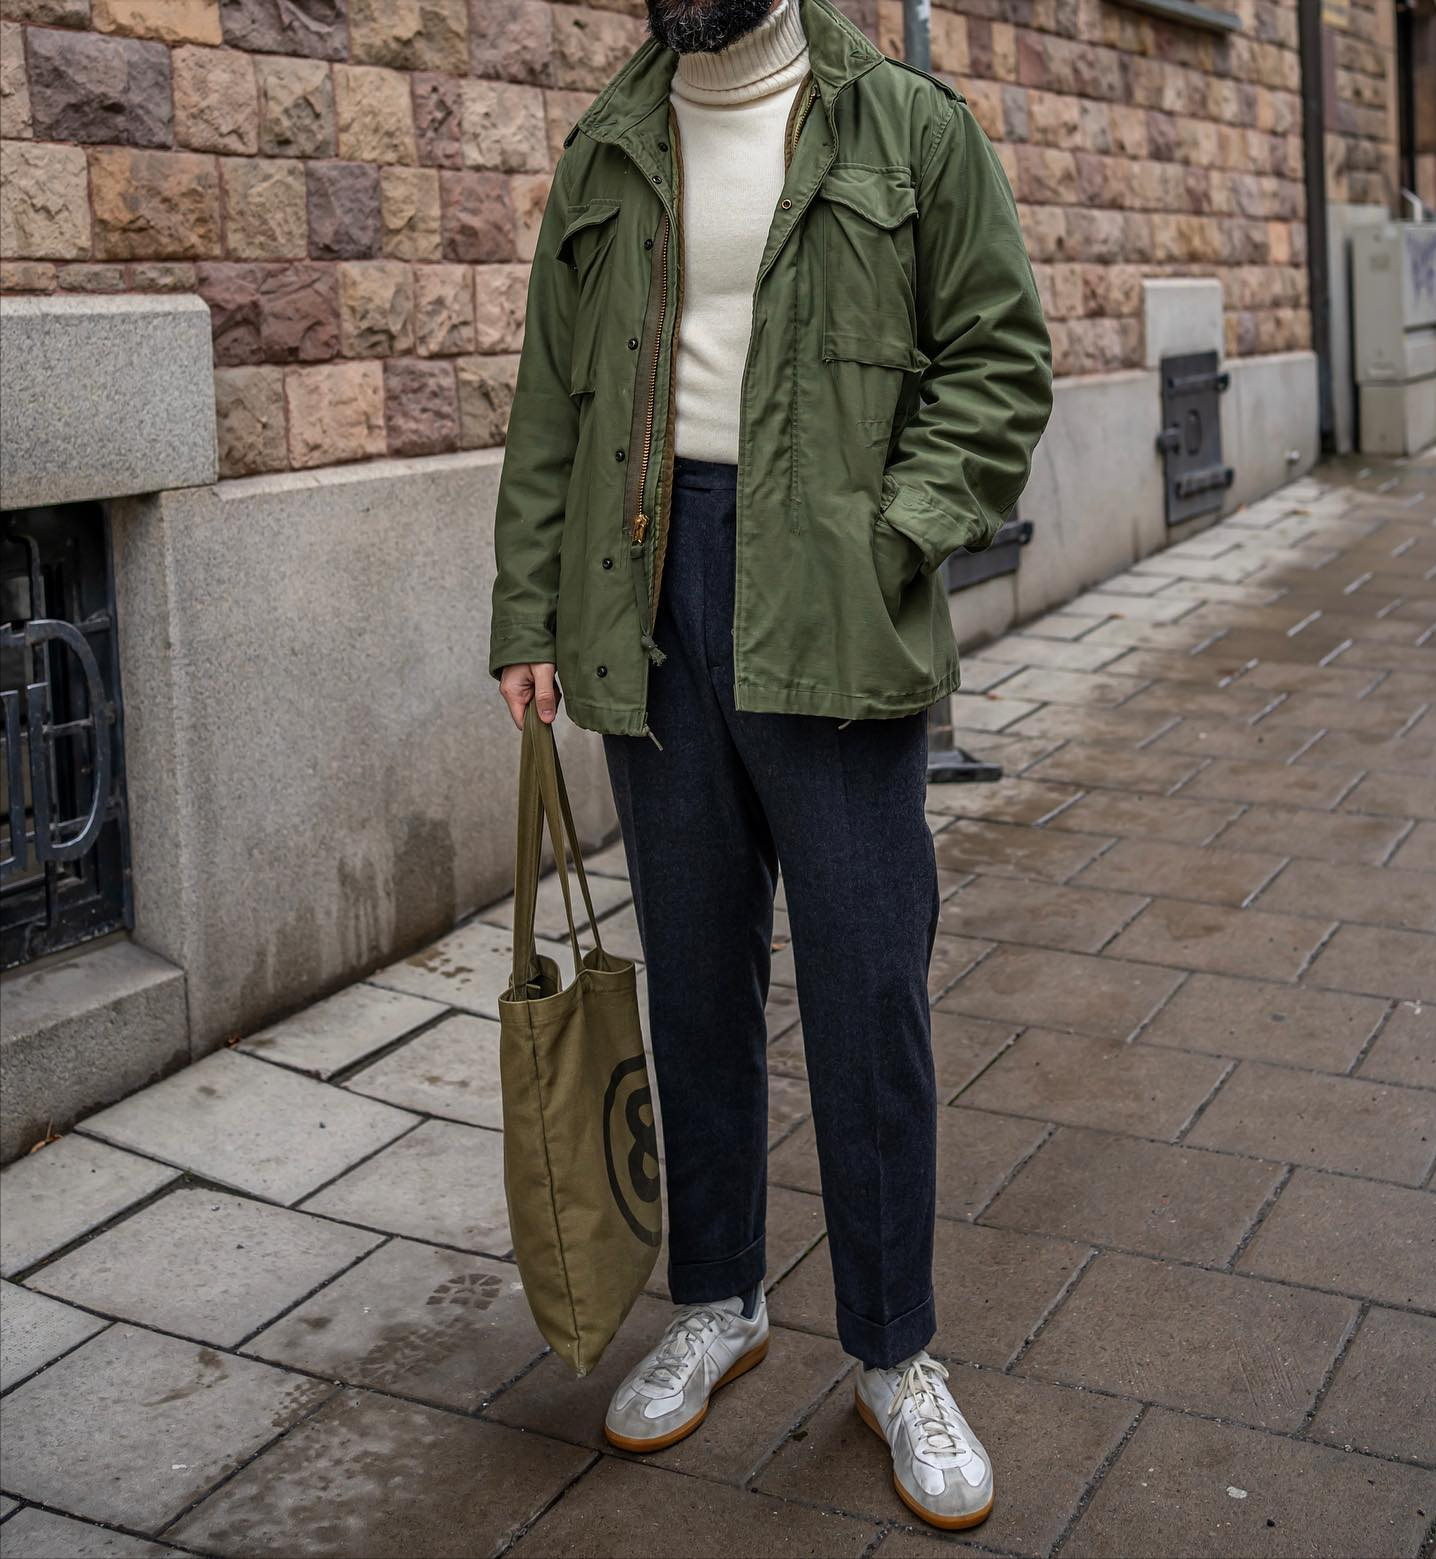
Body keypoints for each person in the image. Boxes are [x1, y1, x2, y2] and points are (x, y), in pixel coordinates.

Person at [490, 0, 1051, 1530]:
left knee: (868, 988)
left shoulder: (905, 127)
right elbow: (552, 400)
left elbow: (999, 356)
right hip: (645, 590)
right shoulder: (609, 143)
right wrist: (529, 612)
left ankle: (894, 1352)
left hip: (833, 592)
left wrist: (894, 536)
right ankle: (720, 1297)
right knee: (693, 972)